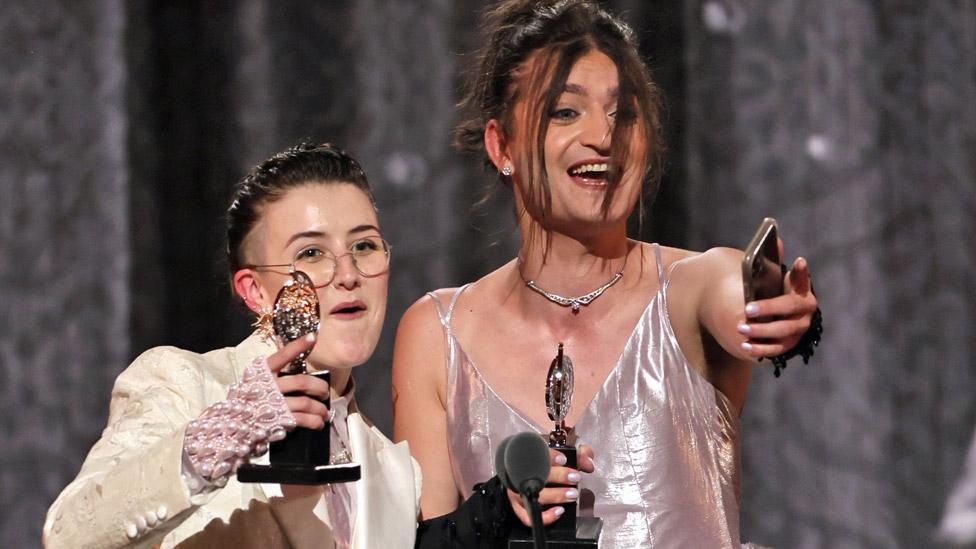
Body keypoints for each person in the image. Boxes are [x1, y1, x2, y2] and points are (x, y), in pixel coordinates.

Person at [391, 1, 821, 548]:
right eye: (566, 113)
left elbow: (734, 293)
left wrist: (782, 314)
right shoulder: (437, 333)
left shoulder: (688, 289)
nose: (604, 136)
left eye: (624, 114)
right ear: (503, 146)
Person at [43, 143, 420, 548]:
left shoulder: (397, 471)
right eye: (311, 253)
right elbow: (69, 534)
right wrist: (222, 437)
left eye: (364, 246)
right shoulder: (186, 386)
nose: (348, 274)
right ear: (254, 290)